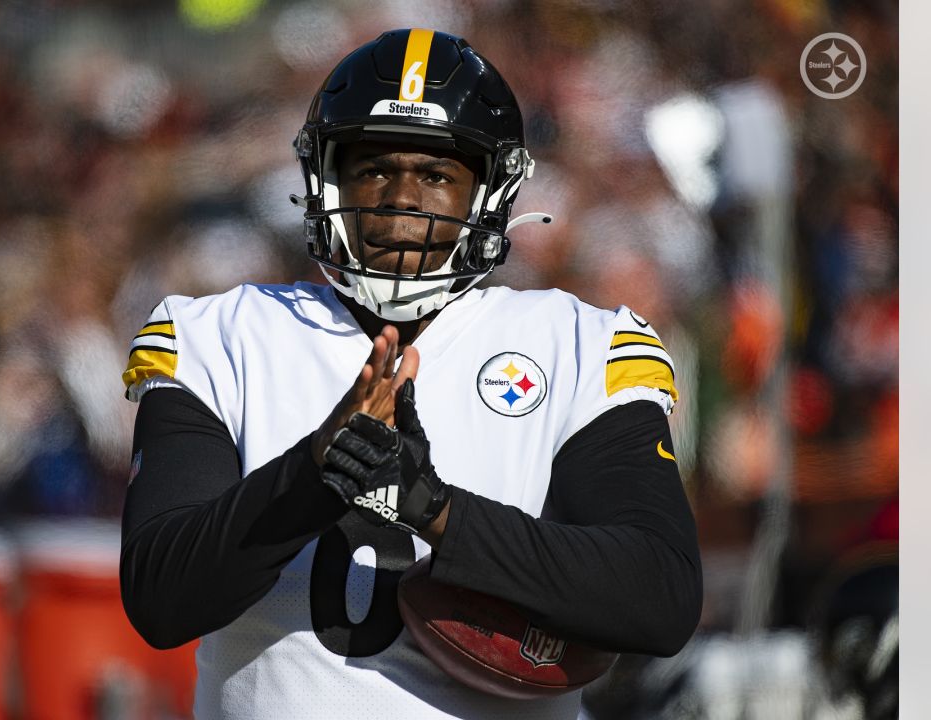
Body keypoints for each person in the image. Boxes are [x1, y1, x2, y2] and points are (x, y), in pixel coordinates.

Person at [119, 28, 701, 719]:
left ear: (490, 191)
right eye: (373, 169)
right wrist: (313, 477)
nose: (401, 197)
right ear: (326, 180)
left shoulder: (580, 344)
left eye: (435, 175)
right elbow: (160, 597)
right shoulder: (219, 337)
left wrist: (436, 510)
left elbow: (660, 596)